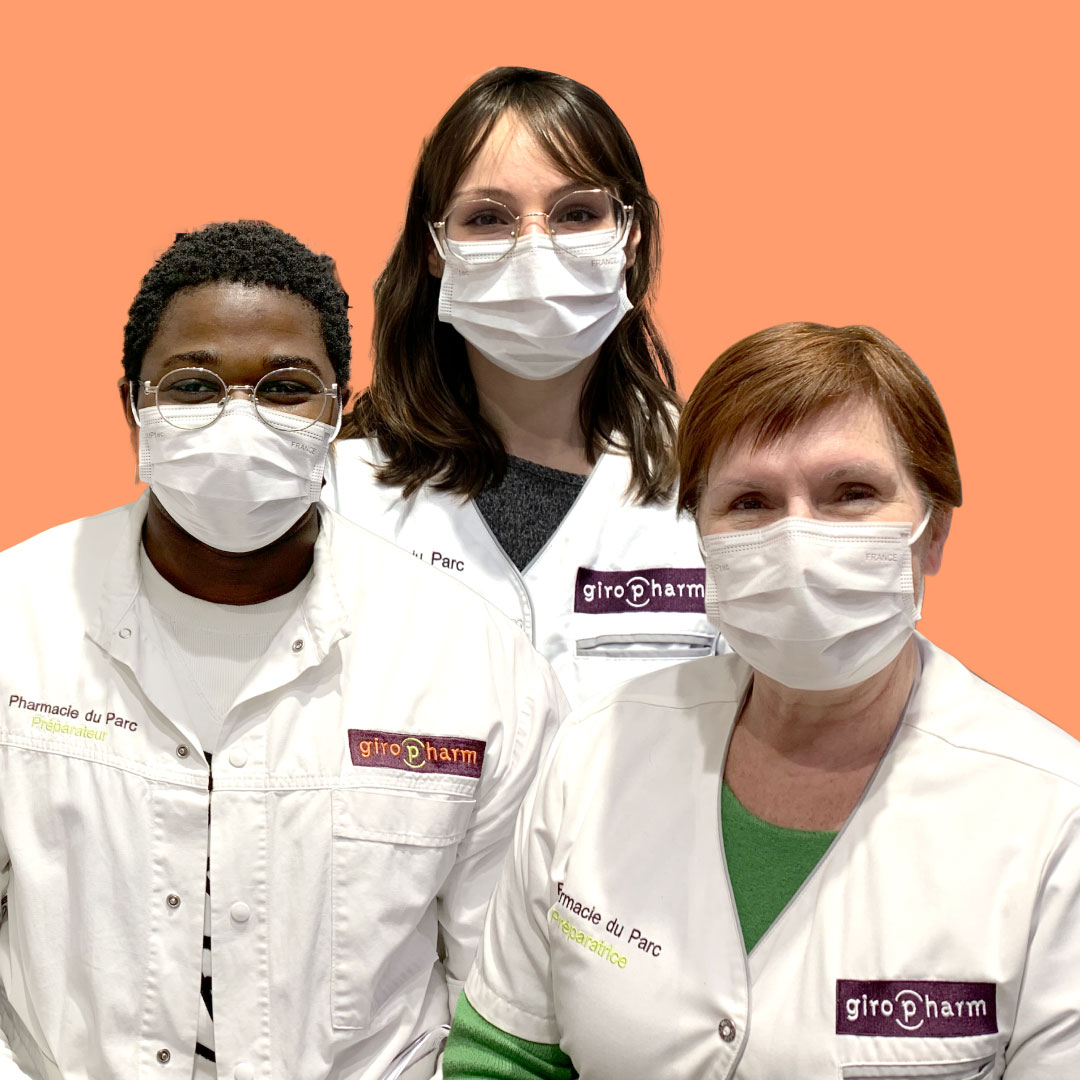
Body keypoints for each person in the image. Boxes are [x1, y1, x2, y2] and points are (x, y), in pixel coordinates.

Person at [0, 221, 565, 1080]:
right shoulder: (18, 617)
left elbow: (508, 1001)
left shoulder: (473, 663)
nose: (239, 419)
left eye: (286, 388)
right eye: (193, 386)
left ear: (336, 410)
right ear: (132, 407)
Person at [443, 323, 1080, 1078]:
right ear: (702, 541)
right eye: (750, 502)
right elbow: (502, 1057)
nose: (796, 540)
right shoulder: (598, 749)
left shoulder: (1053, 816)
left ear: (932, 531)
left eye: (852, 494)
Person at [322, 66, 721, 709]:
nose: (536, 250)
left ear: (631, 235)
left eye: (578, 213)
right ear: (434, 249)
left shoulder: (716, 477)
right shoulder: (340, 494)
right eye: (487, 218)